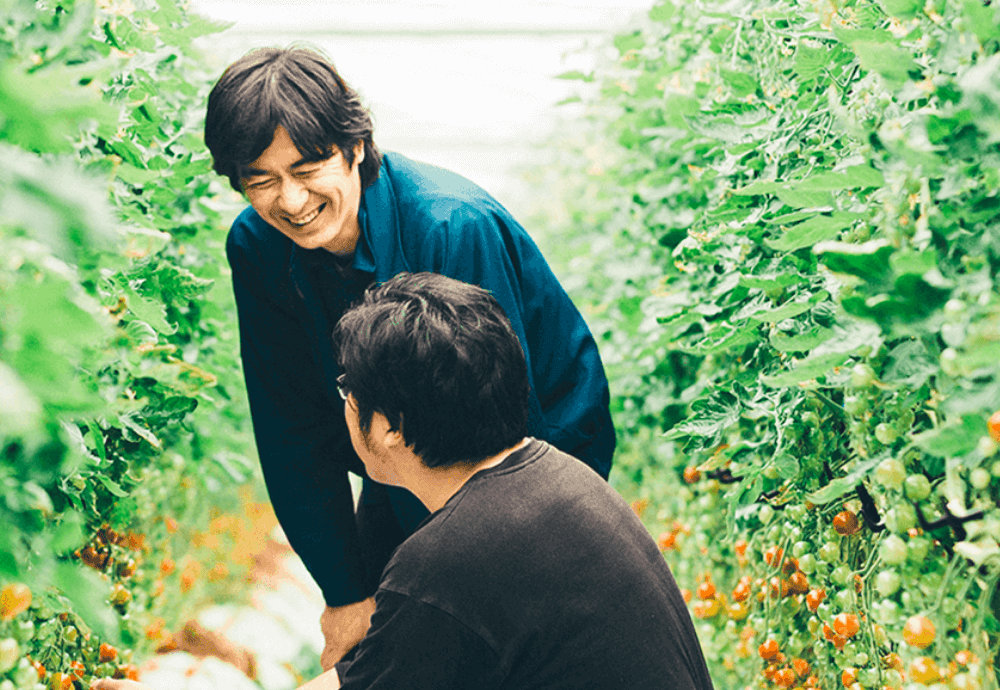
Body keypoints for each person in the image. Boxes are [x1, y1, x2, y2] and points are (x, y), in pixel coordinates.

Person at [96, 273, 711, 690]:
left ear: (388, 427)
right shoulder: (552, 480)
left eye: (347, 391)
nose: (342, 405)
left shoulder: (451, 558)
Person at [205, 45, 616, 666]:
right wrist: (346, 594)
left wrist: (446, 603)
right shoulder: (259, 249)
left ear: (356, 148)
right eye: (260, 180)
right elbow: (290, 428)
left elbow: (498, 439)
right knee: (378, 643)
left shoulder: (450, 228)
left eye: (307, 168)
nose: (289, 200)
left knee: (487, 647)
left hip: (532, 459)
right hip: (401, 463)